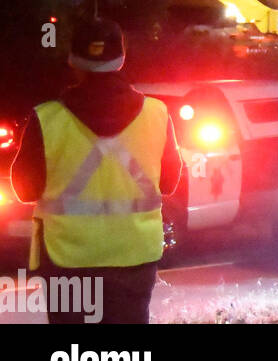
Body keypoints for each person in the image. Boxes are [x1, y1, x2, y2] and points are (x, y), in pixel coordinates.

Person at [9, 19, 182, 324]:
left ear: (73, 61)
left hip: (66, 258)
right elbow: (168, 183)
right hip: (135, 257)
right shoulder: (157, 114)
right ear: (121, 59)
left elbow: (25, 190)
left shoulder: (46, 119)